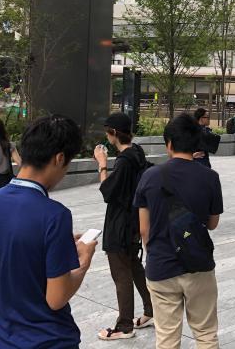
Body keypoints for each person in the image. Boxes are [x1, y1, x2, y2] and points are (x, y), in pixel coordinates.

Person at [0, 114, 97, 349]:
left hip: (2, 340)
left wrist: (59, 245)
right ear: (59, 158)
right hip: (48, 340)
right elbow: (56, 298)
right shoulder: (54, 214)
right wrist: (84, 260)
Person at [133, 113, 223, 349]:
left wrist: (155, 253)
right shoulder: (210, 177)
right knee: (206, 334)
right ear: (196, 144)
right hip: (199, 264)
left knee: (167, 339)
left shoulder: (150, 177)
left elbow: (144, 229)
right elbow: (212, 224)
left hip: (161, 266)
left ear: (169, 144)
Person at [93, 112, 154, 340]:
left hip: (119, 223)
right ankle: (151, 309)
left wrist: (102, 165)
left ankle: (124, 326)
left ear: (114, 134)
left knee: (121, 274)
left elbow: (108, 192)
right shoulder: (136, 152)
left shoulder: (124, 161)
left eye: (107, 132)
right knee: (134, 266)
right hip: (135, 219)